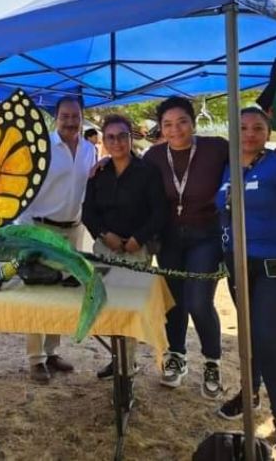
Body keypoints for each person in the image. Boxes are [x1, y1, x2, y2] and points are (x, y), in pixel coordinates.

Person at [142, 97, 276, 395]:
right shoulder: (152, 156)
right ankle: (176, 356)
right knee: (173, 300)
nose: (176, 130)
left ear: (193, 123)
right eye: (168, 124)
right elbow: (133, 176)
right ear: (160, 128)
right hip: (170, 238)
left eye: (182, 122)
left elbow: (250, 153)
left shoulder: (215, 147)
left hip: (206, 236)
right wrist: (102, 163)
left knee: (198, 302)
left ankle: (211, 359)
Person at [214, 107, 276, 457]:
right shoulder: (227, 166)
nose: (249, 133)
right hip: (239, 265)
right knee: (247, 332)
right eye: (242, 127)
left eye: (258, 127)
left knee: (268, 339)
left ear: (269, 132)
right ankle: (249, 392)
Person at [16, 96, 98, 384]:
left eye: (75, 116)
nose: (71, 121)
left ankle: (52, 352)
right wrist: (25, 232)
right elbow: (25, 186)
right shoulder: (43, 147)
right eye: (65, 116)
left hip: (73, 231)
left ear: (82, 116)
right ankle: (35, 359)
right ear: (56, 117)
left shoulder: (90, 150)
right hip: (42, 231)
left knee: (62, 295)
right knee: (37, 296)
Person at [81, 114, 167, 379]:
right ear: (104, 141)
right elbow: (88, 212)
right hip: (106, 250)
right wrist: (104, 235)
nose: (116, 142)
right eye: (110, 137)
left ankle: (127, 364)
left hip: (136, 250)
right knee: (109, 306)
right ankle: (117, 358)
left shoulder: (148, 172)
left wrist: (136, 239)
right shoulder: (99, 173)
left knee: (130, 308)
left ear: (131, 138)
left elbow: (159, 212)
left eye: (122, 136)